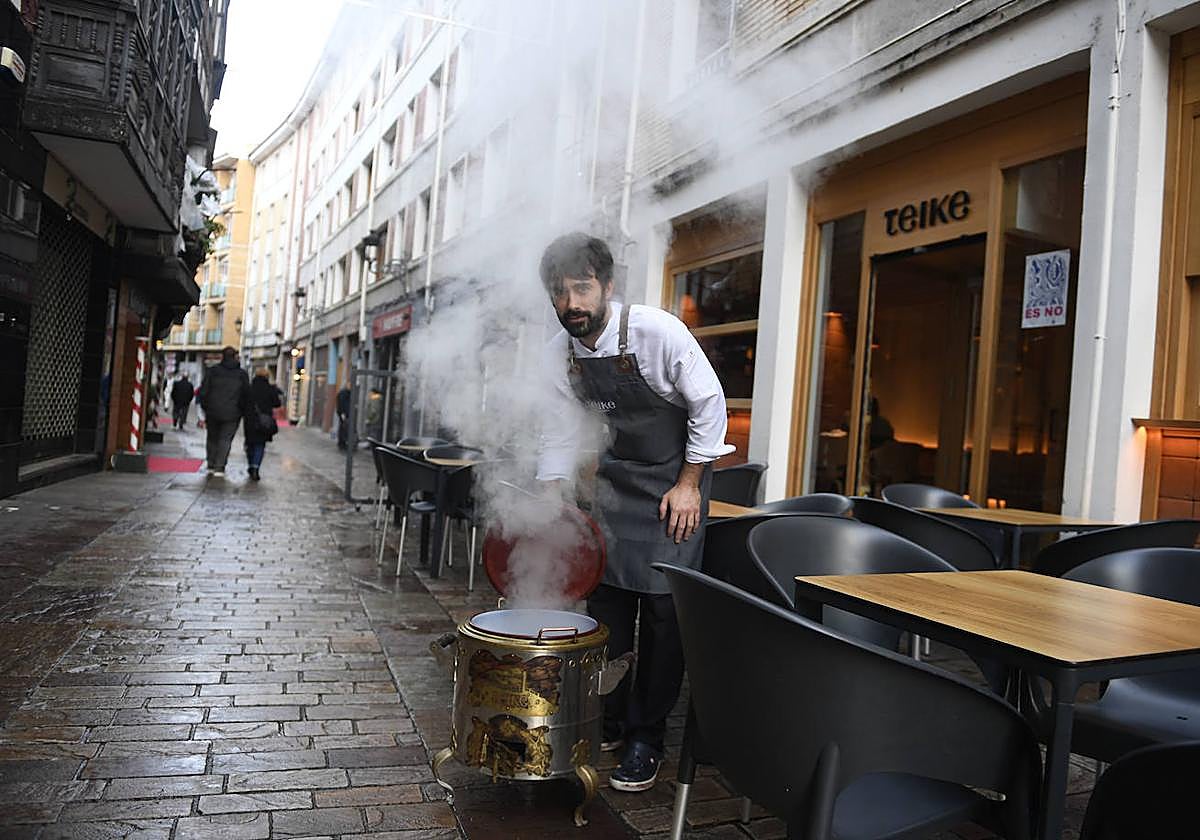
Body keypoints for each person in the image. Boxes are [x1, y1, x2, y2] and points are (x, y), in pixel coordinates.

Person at [536, 232, 733, 793]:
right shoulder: (559, 353)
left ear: (607, 286)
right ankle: (612, 718)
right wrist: (553, 498)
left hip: (674, 486)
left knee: (664, 615)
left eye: (582, 287)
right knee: (607, 614)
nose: (572, 303)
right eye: (560, 292)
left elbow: (709, 403)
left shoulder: (654, 331)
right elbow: (558, 428)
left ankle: (648, 735)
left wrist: (690, 484)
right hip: (615, 486)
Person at [197, 347, 250, 478]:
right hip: (233, 413)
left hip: (213, 411)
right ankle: (220, 467)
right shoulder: (241, 374)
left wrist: (206, 407)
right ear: (235, 357)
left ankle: (211, 464)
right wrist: (241, 411)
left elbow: (203, 391)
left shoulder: (213, 371)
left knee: (212, 438)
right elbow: (246, 395)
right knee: (225, 440)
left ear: (222, 356)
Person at [243, 368, 282, 481]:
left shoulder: (249, 388)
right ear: (267, 376)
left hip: (250, 420)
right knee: (260, 445)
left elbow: (242, 403)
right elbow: (277, 404)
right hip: (264, 421)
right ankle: (255, 468)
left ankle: (250, 465)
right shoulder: (270, 389)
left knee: (250, 444)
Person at [336, 384, 352, 450]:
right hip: (344, 413)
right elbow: (341, 404)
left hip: (344, 413)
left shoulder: (345, 393)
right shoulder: (343, 393)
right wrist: (342, 413)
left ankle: (342, 442)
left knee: (343, 427)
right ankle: (342, 443)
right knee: (343, 428)